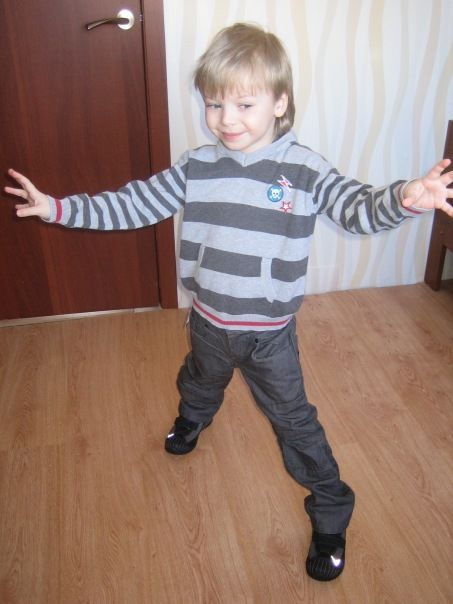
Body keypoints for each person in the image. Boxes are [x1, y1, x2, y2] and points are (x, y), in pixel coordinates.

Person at [5, 23, 453, 582]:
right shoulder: (196, 167)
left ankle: (331, 510)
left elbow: (357, 208)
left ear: (279, 102)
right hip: (208, 322)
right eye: (214, 104)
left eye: (244, 104)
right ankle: (192, 420)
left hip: (270, 338)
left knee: (296, 425)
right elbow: (134, 203)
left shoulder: (304, 171)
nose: (226, 119)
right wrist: (59, 208)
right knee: (199, 379)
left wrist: (406, 197)